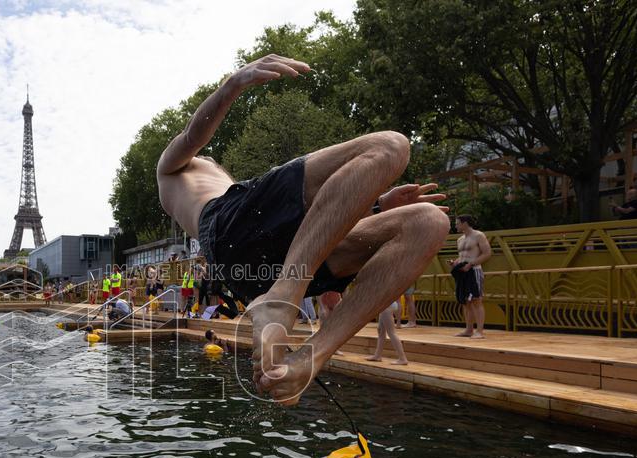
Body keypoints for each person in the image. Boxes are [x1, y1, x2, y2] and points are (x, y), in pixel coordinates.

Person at [156, 53, 448, 404]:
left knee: (429, 222)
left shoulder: (231, 192)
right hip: (228, 230)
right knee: (390, 146)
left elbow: (315, 223)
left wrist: (376, 205)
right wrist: (234, 84)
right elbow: (192, 134)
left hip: (255, 271)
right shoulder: (171, 170)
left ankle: (307, 361)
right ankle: (284, 296)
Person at [450, 214, 491, 338]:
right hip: (462, 271)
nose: (455, 225)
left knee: (476, 300)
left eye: (457, 223)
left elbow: (487, 253)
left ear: (465, 223)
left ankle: (480, 331)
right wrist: (455, 262)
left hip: (474, 270)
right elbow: (463, 255)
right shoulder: (460, 239)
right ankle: (469, 329)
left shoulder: (478, 235)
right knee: (464, 301)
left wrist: (471, 264)